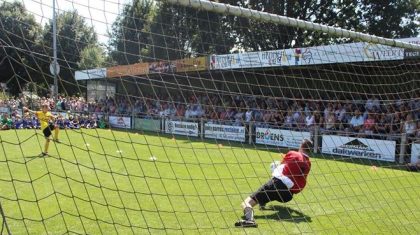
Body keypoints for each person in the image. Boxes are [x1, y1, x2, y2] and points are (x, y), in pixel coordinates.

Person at [235, 138, 313, 227]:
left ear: (301, 146)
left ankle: (249, 220)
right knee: (271, 194)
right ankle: (263, 201)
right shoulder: (308, 163)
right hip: (288, 195)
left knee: (246, 203)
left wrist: (275, 167)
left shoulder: (294, 153)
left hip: (277, 185)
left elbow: (282, 164)